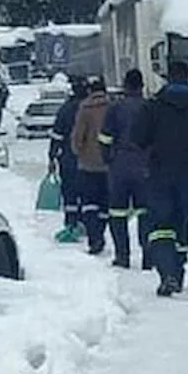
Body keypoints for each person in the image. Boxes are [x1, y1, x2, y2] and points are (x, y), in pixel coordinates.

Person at [131, 59, 188, 297]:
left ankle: (167, 274)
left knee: (161, 225)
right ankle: (178, 271)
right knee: (182, 226)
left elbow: (138, 137)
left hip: (159, 175)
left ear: (168, 77)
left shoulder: (154, 106)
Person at [98, 68, 152, 270]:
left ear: (125, 86)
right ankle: (148, 256)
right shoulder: (149, 108)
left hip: (119, 167)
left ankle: (122, 256)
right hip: (145, 168)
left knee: (117, 213)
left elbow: (104, 138)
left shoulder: (115, 108)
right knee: (145, 213)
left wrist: (108, 159)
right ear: (141, 86)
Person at [70, 76, 112, 255]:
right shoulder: (113, 107)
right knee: (105, 205)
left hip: (88, 165)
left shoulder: (84, 109)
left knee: (89, 203)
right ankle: (101, 232)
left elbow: (77, 138)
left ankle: (94, 237)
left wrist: (78, 151)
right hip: (109, 164)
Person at [50, 76, 89, 242]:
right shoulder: (89, 108)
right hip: (90, 160)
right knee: (88, 193)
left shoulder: (65, 109)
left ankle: (71, 223)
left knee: (70, 194)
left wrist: (52, 157)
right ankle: (87, 223)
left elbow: (57, 136)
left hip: (68, 159)